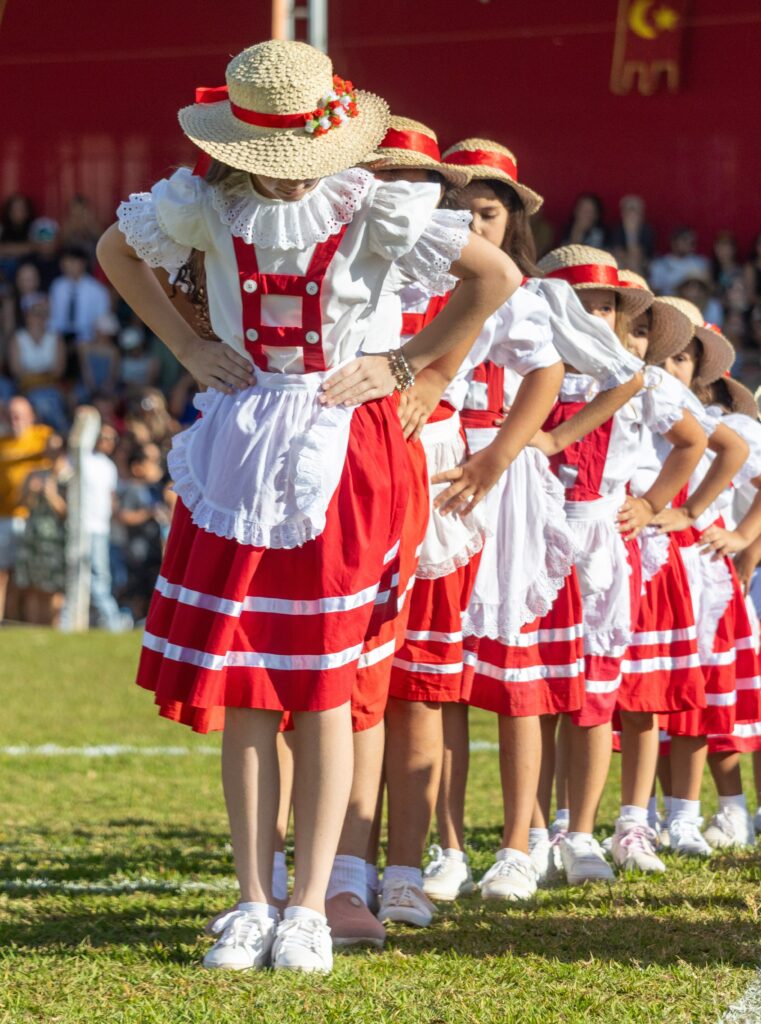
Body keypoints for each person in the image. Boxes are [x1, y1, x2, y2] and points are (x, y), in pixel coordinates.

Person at [97, 39, 520, 975]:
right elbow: (117, 251)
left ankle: (313, 902)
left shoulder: (374, 205)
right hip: (241, 443)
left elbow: (494, 279)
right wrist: (183, 347)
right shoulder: (203, 204)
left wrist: (408, 364)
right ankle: (252, 898)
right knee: (247, 681)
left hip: (346, 447)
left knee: (328, 688)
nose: (281, 181)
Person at [653, 299, 750, 854]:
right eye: (666, 355)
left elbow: (747, 467)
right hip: (648, 555)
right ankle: (646, 813)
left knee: (701, 691)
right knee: (646, 695)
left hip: (698, 568)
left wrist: (733, 537)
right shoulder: (638, 398)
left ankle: (706, 813)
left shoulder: (714, 421)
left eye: (684, 359)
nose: (672, 368)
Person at [0, 396, 52, 620]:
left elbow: (58, 458)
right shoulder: (2, 441)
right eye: (11, 415)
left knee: (31, 576)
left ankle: (25, 621)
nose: (15, 419)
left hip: (34, 518)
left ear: (31, 416)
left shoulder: (43, 436)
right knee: (3, 573)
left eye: (19, 414)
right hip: (5, 516)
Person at [14, 431, 71, 625]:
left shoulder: (69, 476)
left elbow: (69, 514)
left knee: (53, 587)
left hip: (55, 540)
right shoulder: (35, 474)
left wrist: (52, 495)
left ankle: (52, 628)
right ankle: (32, 627)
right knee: (32, 586)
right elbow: (21, 504)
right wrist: (30, 492)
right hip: (33, 538)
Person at [8, 295, 68, 433]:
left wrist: (33, 376)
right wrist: (43, 375)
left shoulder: (55, 338)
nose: (40, 318)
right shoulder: (18, 338)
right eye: (36, 313)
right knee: (42, 403)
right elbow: (16, 370)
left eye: (44, 314)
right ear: (27, 316)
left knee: (47, 401)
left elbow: (59, 371)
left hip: (51, 389)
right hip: (26, 389)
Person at [48, 245, 110, 350]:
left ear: (83, 263)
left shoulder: (97, 290)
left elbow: (102, 321)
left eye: (72, 261)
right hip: (59, 340)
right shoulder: (57, 286)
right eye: (65, 262)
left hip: (88, 340)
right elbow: (52, 316)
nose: (68, 265)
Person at [649, 227, 711, 296]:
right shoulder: (660, 264)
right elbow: (655, 290)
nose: (688, 243)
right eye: (684, 240)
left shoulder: (700, 263)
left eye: (692, 242)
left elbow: (707, 289)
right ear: (673, 242)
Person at [610, 195, 654, 276]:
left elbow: (640, 254)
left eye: (634, 210)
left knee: (634, 262)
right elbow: (618, 251)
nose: (631, 214)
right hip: (622, 262)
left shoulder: (646, 230)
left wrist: (631, 231)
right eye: (629, 210)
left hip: (641, 263)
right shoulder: (617, 229)